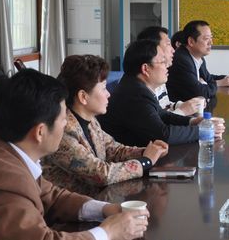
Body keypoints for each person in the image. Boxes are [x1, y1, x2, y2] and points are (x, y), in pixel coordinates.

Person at [0, 69, 149, 240]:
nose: (66, 124)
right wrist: (108, 233)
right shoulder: (2, 185)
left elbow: (50, 196)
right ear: (40, 132)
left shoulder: (0, 147)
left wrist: (105, 209)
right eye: (63, 119)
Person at [43, 55, 169, 195]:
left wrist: (147, 151)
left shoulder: (90, 120)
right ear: (83, 97)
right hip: (71, 207)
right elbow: (101, 174)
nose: (108, 94)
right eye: (103, 88)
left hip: (95, 200)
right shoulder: (63, 130)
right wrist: (146, 161)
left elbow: (113, 150)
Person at [99, 39, 225, 147]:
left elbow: (162, 115)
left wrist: (193, 121)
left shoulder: (137, 86)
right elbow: (163, 135)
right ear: (145, 69)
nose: (167, 66)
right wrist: (203, 131)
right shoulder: (135, 95)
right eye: (162, 62)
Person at [136, 26, 204, 116]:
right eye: (168, 44)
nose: (173, 50)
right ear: (154, 48)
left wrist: (186, 105)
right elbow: (158, 122)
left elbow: (165, 106)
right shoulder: (141, 87)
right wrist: (183, 111)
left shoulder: (158, 75)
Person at [166, 20, 229, 104]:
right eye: (206, 39)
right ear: (191, 42)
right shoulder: (181, 60)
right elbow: (201, 93)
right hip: (179, 108)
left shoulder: (198, 57)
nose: (211, 42)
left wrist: (227, 78)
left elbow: (208, 79)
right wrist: (219, 83)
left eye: (211, 38)